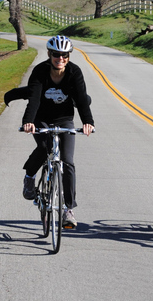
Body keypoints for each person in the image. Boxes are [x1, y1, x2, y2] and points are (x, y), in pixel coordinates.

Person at [21, 35, 95, 229]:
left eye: (64, 55)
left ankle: (68, 210)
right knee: (44, 147)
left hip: (64, 119)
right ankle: (29, 177)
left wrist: (88, 122)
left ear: (69, 56)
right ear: (49, 54)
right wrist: (28, 122)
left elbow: (80, 99)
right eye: (56, 54)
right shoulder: (40, 71)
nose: (60, 58)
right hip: (41, 118)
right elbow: (34, 99)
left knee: (68, 161)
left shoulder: (74, 72)